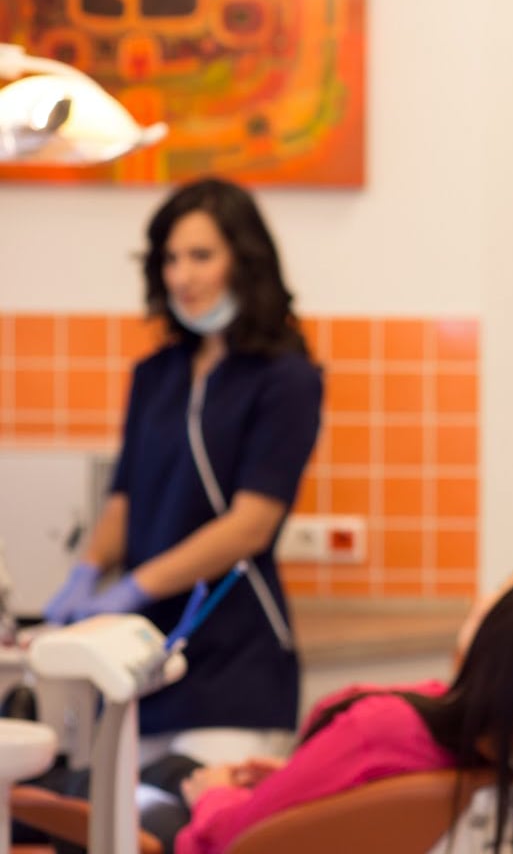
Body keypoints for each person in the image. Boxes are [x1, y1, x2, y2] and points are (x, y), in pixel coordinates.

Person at [40, 176, 323, 766]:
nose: (181, 276)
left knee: (193, 809)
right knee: (120, 808)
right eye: (170, 259)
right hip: (143, 655)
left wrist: (134, 586)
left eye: (200, 256)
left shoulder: (285, 379)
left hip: (234, 661)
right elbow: (125, 496)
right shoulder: (156, 374)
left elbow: (250, 526)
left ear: (244, 261)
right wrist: (88, 571)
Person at [124, 560, 513, 854]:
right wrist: (301, 778)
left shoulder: (381, 729)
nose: (483, 597)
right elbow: (377, 805)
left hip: (206, 835)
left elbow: (234, 838)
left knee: (133, 783)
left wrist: (211, 795)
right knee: (172, 767)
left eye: (500, 596)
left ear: (500, 647)